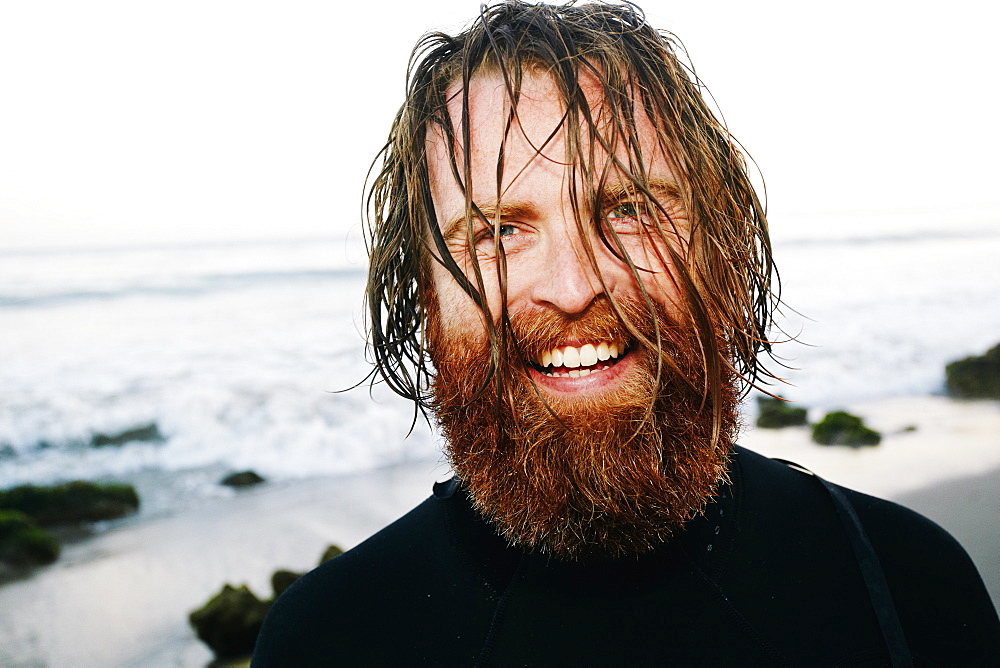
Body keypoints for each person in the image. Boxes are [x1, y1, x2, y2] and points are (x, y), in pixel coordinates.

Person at [253, 2, 1000, 664]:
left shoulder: (908, 586)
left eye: (631, 208)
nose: (576, 286)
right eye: (497, 231)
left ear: (721, 248)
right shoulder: (328, 641)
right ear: (425, 295)